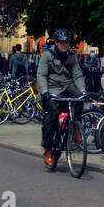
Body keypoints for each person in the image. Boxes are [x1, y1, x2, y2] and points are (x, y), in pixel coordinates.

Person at [36, 29, 82, 170]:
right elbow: (41, 74)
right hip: (52, 89)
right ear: (56, 43)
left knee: (79, 99)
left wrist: (83, 90)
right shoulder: (47, 55)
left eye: (67, 42)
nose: (64, 45)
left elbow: (77, 75)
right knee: (52, 115)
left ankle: (75, 128)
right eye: (62, 42)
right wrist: (45, 91)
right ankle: (48, 148)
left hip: (67, 87)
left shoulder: (72, 56)